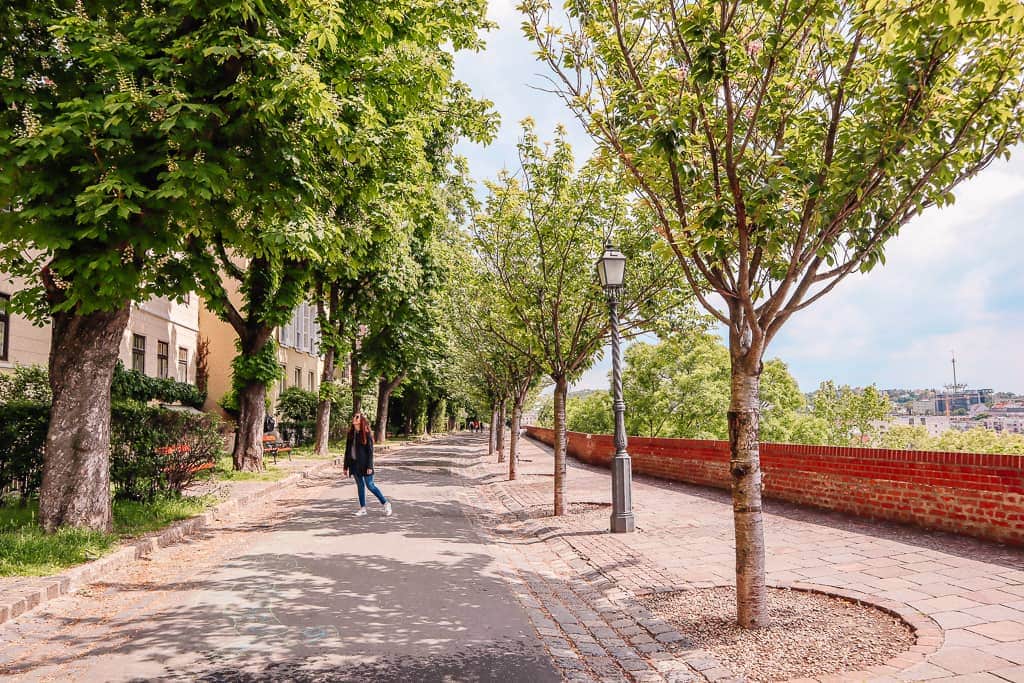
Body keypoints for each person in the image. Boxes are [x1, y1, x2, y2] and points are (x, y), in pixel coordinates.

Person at [344, 412, 392, 517]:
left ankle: (386, 503)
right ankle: (363, 508)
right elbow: (347, 451)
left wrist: (370, 466)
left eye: (357, 417)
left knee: (370, 485)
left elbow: (370, 452)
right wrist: (345, 466)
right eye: (354, 417)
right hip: (354, 464)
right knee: (360, 486)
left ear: (361, 421)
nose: (354, 418)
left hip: (365, 465)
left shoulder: (366, 434)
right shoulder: (351, 434)